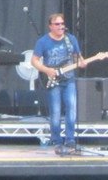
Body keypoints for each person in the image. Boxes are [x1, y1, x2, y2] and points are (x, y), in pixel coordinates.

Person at [31, 12, 89, 154]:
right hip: (53, 80)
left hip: (69, 79)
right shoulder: (43, 42)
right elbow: (34, 60)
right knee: (56, 111)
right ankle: (56, 140)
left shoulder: (71, 39)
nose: (60, 26)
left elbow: (77, 56)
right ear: (50, 26)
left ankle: (70, 139)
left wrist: (82, 62)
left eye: (62, 24)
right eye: (57, 24)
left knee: (71, 108)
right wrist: (47, 70)